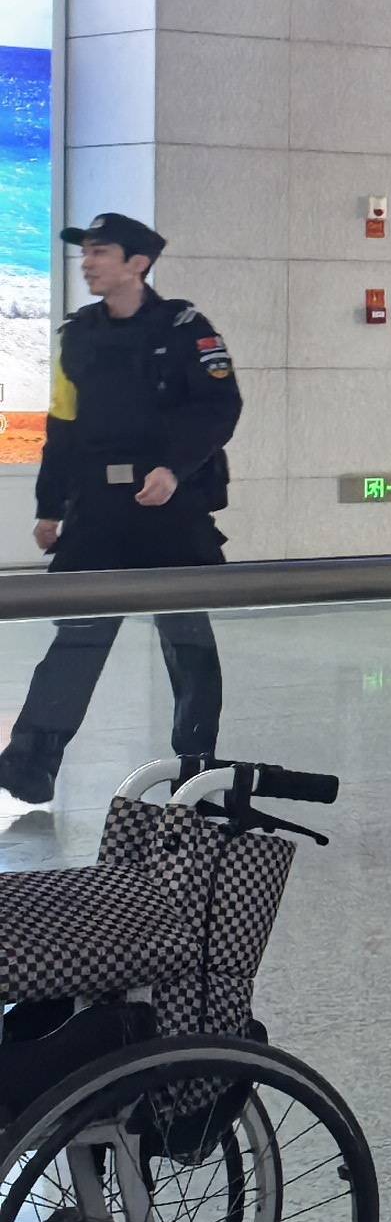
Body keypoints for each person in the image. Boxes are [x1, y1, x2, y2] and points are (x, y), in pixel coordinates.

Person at [0, 215, 240, 806]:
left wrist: (173, 468)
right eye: (85, 253)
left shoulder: (186, 329)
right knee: (77, 636)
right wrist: (50, 507)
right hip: (99, 513)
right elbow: (63, 425)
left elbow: (219, 407)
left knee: (187, 642)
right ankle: (30, 763)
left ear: (138, 263)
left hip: (170, 510)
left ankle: (197, 767)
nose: (87, 262)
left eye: (100, 252)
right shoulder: (78, 335)